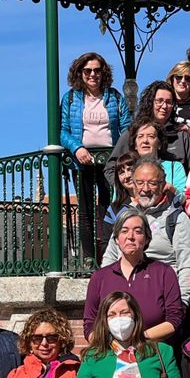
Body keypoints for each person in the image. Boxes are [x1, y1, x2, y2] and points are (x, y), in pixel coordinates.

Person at [61, 50, 130, 261]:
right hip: (81, 161)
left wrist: (119, 153)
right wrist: (77, 148)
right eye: (88, 70)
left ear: (103, 73)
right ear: (80, 73)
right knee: (85, 210)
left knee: (108, 207)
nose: (93, 74)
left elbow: (127, 127)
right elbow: (62, 130)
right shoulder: (71, 98)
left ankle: (108, 254)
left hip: (111, 160)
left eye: (97, 70)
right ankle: (90, 257)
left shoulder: (115, 97)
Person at [101, 161, 190, 307]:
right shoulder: (125, 216)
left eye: (152, 183)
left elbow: (188, 265)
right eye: (140, 183)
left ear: (163, 184)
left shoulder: (176, 218)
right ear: (133, 184)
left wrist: (180, 304)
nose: (145, 189)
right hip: (124, 302)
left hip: (162, 300)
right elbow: (110, 257)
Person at [89, 208, 187, 341]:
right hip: (112, 353)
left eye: (138, 231)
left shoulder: (164, 273)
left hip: (153, 351)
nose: (130, 236)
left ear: (147, 239)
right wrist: (113, 346)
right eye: (124, 231)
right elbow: (89, 325)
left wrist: (139, 339)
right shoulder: (100, 277)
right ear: (117, 239)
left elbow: (175, 319)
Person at [106, 82, 190, 184]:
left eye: (169, 102)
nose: (164, 106)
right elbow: (111, 168)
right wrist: (125, 191)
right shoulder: (132, 133)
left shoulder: (181, 135)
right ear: (150, 102)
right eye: (159, 101)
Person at [119, 116, 186, 190]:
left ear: (159, 144)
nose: (145, 141)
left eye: (151, 136)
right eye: (140, 136)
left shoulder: (175, 168)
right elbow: (119, 199)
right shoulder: (127, 170)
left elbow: (182, 198)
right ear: (135, 145)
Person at [99, 151, 140, 258]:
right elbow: (105, 243)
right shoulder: (114, 209)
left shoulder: (152, 202)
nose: (127, 175)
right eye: (121, 172)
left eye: (130, 169)